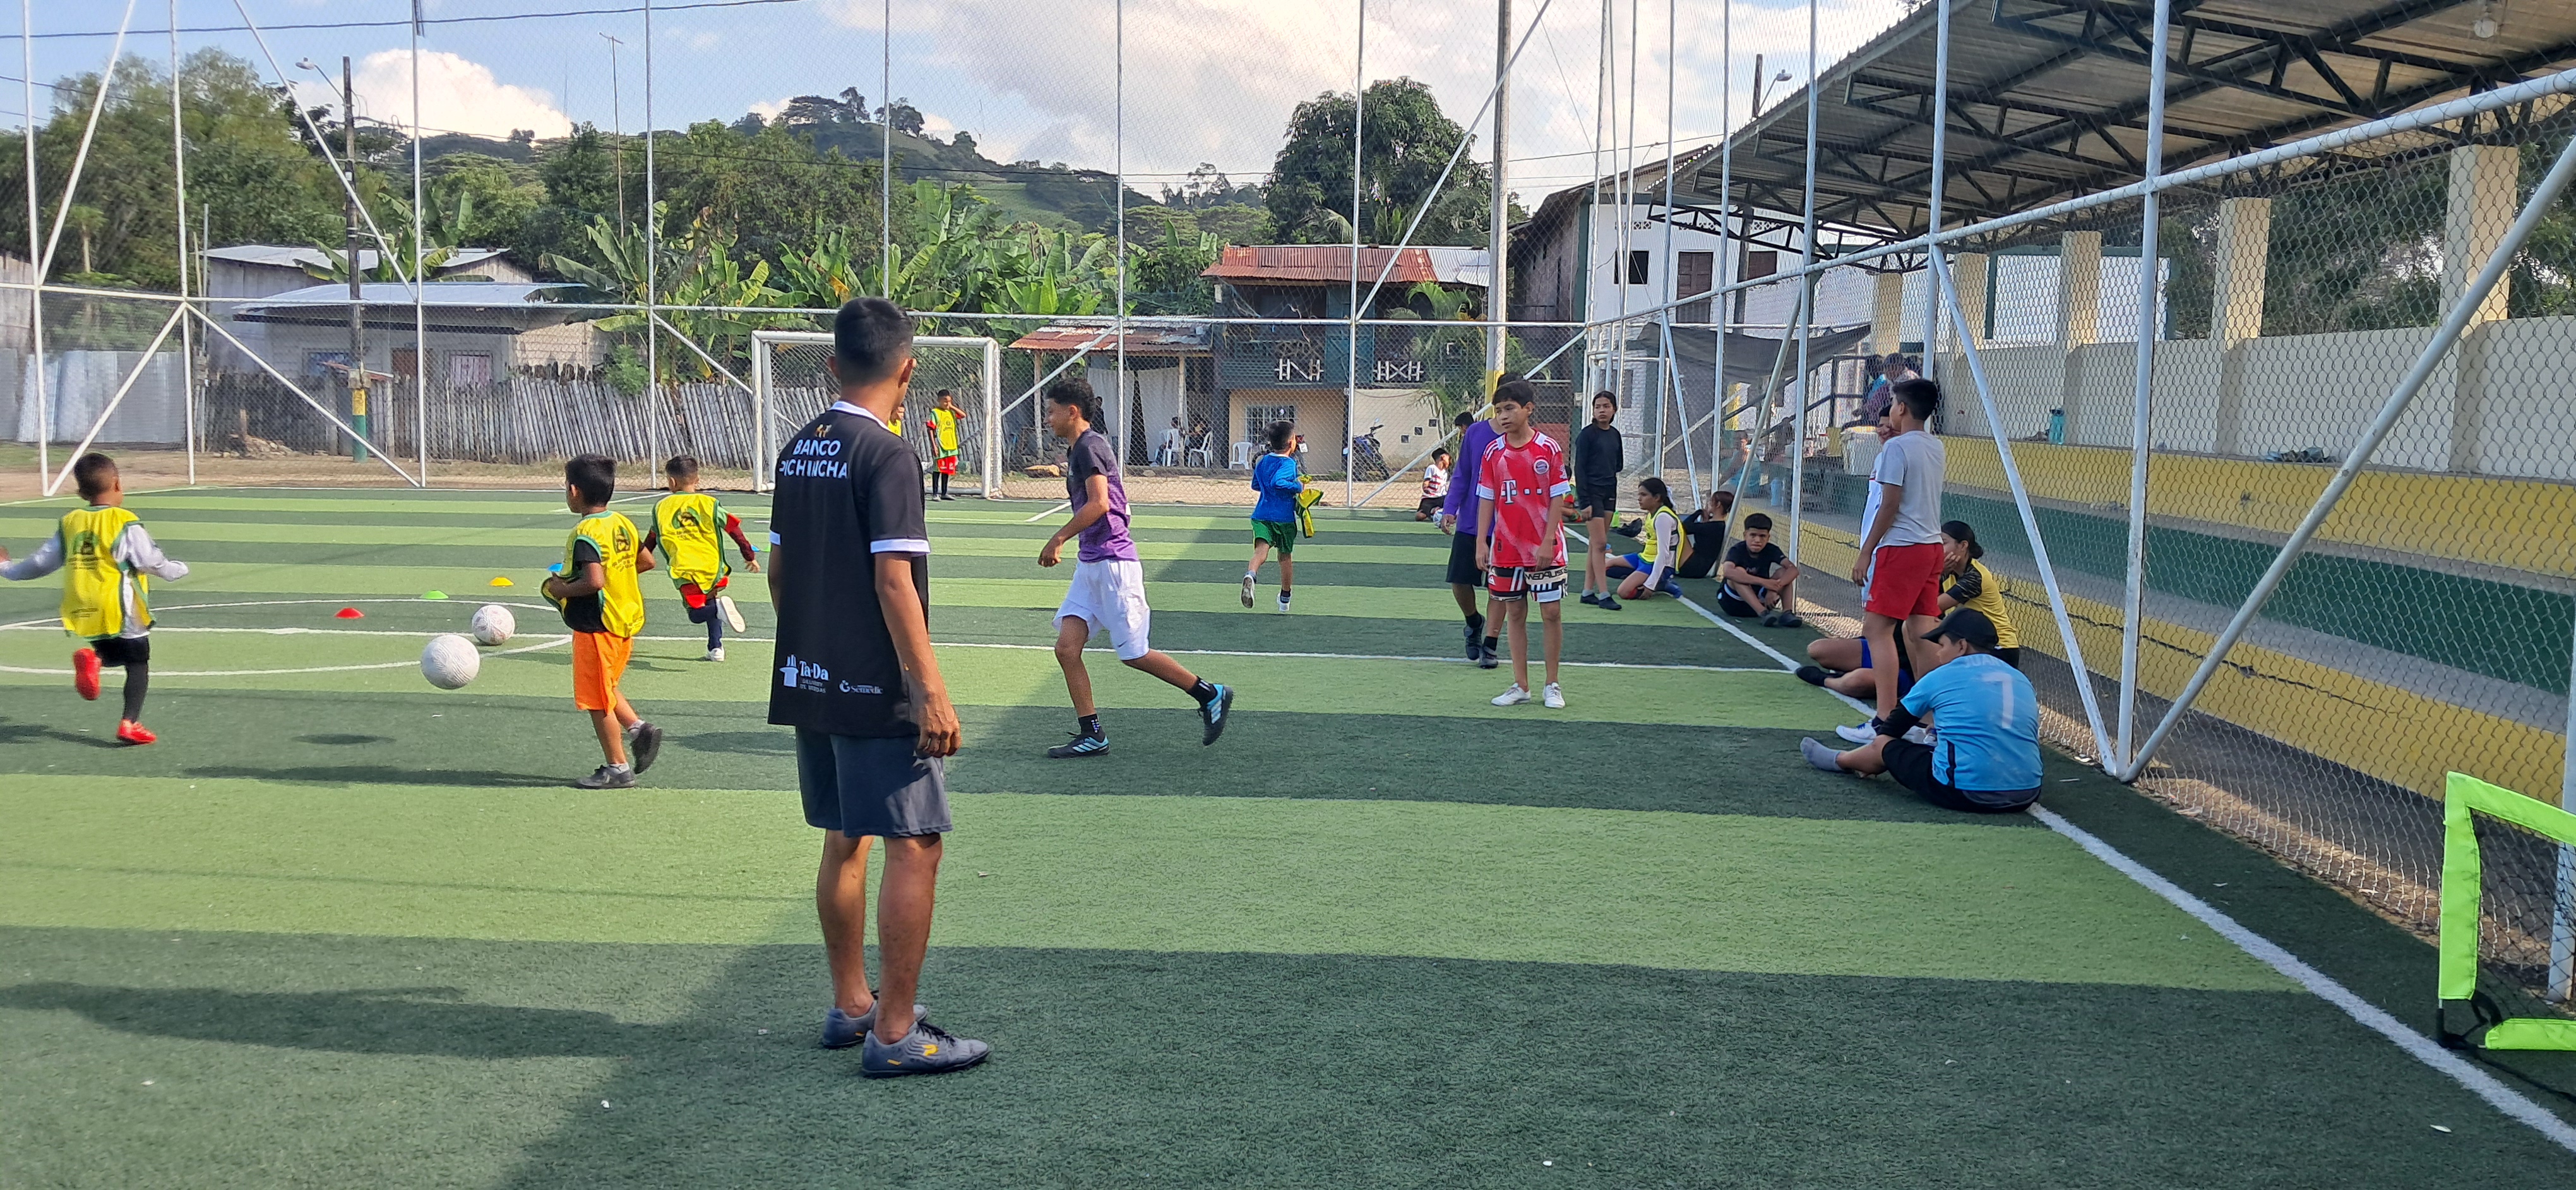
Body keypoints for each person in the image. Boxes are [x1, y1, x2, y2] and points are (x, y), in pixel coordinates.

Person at [766, 296, 986, 1076]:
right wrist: (929, 690)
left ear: (832, 364)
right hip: (874, 686)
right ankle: (894, 1033)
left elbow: (780, 572)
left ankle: (852, 1004)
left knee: (844, 837)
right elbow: (894, 581)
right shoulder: (889, 454)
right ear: (908, 369)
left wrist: (816, 652)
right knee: (916, 845)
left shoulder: (798, 448)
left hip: (811, 677)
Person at [1039, 377, 1234, 757]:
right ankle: (1093, 734)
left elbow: (1100, 504)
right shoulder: (1079, 448)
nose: (1048, 419)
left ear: (1071, 412)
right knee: (1066, 649)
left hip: (1114, 565)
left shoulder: (1089, 446)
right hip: (1091, 565)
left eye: (1051, 412)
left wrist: (1058, 537)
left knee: (1134, 653)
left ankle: (1209, 693)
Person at [0, 453, 188, 745]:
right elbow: (149, 561)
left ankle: (96, 659)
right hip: (120, 604)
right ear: (117, 484)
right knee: (138, 662)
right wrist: (176, 570)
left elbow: (41, 563)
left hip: (83, 605)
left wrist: (6, 568)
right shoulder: (124, 521)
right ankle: (130, 723)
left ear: (80, 492)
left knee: (114, 652)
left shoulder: (70, 522)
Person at [1799, 608, 2044, 814]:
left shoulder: (1942, 675)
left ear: (1961, 646)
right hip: (2028, 793)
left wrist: (1883, 756)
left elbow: (1891, 729)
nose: (1938, 653)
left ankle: (1842, 760)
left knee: (1885, 745)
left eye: (1942, 645)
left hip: (1966, 791)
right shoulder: (2020, 678)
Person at [542, 454, 664, 790]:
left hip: (597, 625)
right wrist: (618, 576)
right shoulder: (621, 523)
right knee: (605, 687)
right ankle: (639, 729)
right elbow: (647, 562)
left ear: (574, 491)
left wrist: (561, 589)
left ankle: (618, 768)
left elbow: (594, 581)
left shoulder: (586, 532)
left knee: (597, 701)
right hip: (623, 621)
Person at [1841, 376, 1947, 743]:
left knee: (1877, 630)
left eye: (1893, 404)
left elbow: (1889, 505)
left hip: (1901, 548)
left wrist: (1866, 551)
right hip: (1931, 547)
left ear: (1901, 408)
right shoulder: (1935, 446)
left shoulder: (1896, 449)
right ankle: (1931, 725)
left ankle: (1885, 720)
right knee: (1921, 632)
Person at [1476, 376, 1571, 709]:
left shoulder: (1548, 449)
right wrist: (1481, 542)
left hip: (1544, 549)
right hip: (1506, 548)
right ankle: (1521, 684)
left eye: (1509, 409)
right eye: (1498, 410)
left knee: (1551, 613)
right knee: (1514, 613)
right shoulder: (1493, 452)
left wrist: (1548, 540)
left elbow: (1558, 497)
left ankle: (1552, 684)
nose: (1503, 416)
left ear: (1528, 409)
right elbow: (1487, 498)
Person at [644, 455, 761, 662]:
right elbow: (733, 528)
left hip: (685, 570)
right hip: (712, 566)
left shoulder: (662, 507)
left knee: (696, 614)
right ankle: (716, 647)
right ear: (697, 480)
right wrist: (749, 555)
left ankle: (717, 613)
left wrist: (639, 560)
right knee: (711, 599)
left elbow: (653, 537)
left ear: (671, 482)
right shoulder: (710, 503)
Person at [1439, 407, 1503, 668]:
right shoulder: (1476, 433)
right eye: (1502, 406)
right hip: (1470, 522)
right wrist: (1450, 508)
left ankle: (1490, 644)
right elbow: (1462, 474)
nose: (1506, 413)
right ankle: (1473, 621)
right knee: (1459, 580)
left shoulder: (1529, 440)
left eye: (1513, 406)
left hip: (1507, 528)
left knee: (1500, 587)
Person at [1936, 520, 2022, 669]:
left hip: (1999, 647)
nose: (1938, 549)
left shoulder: (1974, 577)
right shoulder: (1950, 570)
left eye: (1943, 543)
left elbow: (1933, 607)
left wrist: (1937, 573)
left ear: (1963, 546)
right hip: (1974, 642)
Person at [1572, 391, 1625, 610]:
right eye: (1598, 407)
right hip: (1591, 494)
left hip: (1609, 492)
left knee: (1597, 544)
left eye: (1606, 406)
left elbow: (1618, 465)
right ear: (1593, 411)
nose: (1602, 410)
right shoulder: (1587, 435)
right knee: (1601, 544)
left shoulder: (1615, 435)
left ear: (1614, 409)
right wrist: (1584, 501)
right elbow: (1580, 469)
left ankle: (1587, 591)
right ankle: (1604, 594)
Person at [1243, 419, 1302, 613]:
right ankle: (1285, 598)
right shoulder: (1289, 463)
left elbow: (1256, 485)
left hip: (1261, 515)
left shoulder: (1263, 461)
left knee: (1260, 553)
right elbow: (1278, 482)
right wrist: (1297, 486)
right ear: (1291, 443)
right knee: (1285, 557)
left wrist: (1268, 487)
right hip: (1283, 518)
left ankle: (1251, 575)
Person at [1603, 476, 1685, 602]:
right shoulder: (1653, 513)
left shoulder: (1663, 517)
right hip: (1645, 558)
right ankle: (1645, 579)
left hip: (1658, 563)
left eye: (1644, 495)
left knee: (1623, 592)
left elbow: (1663, 554)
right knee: (1603, 566)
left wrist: (1651, 585)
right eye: (1639, 494)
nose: (1639, 499)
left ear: (1657, 498)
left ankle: (1660, 584)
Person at [1717, 512, 1801, 626]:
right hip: (1733, 603)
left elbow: (1793, 570)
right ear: (1745, 535)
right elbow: (1728, 572)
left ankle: (1787, 613)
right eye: (1753, 535)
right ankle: (1763, 613)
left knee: (1784, 572)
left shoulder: (1772, 550)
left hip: (1761, 598)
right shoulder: (1737, 550)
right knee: (1739, 572)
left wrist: (1774, 588)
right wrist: (1765, 582)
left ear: (1768, 537)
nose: (1757, 540)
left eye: (1762, 536)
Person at [1677, 488, 1732, 580]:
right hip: (1697, 563)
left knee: (1678, 531)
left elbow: (1684, 527)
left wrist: (1698, 512)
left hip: (1695, 567)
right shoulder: (1714, 524)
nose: (1708, 503)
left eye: (1711, 501)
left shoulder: (1715, 527)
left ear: (1718, 505)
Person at [925, 388, 967, 500]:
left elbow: (963, 415)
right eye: (945, 401)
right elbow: (931, 429)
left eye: (949, 401)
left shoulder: (951, 412)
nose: (947, 403)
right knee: (938, 469)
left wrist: (952, 406)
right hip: (941, 446)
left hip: (951, 446)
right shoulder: (935, 412)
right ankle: (935, 493)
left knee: (947, 470)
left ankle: (944, 492)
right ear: (939, 400)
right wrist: (934, 445)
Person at [1416, 448, 1452, 522]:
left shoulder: (1445, 472)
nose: (1450, 461)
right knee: (1420, 516)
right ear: (1443, 457)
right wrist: (1426, 487)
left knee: (1450, 509)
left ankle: (1436, 512)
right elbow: (1426, 481)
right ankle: (1433, 512)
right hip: (1430, 498)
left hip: (1441, 497)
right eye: (1449, 459)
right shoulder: (1432, 468)